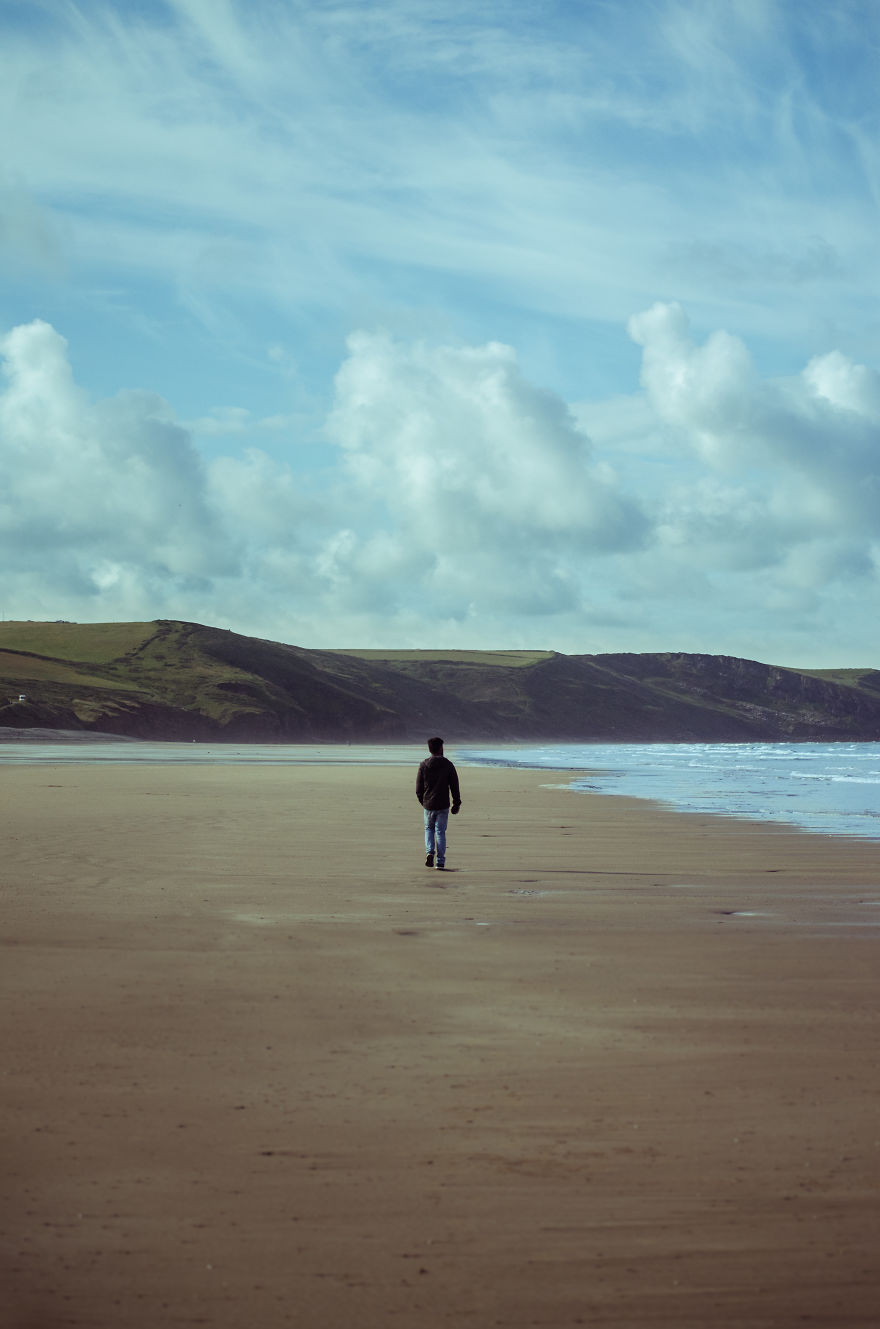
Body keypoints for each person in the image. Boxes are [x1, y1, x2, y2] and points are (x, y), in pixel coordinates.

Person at [416, 736, 462, 870]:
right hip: (443, 804)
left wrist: (423, 801)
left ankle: (430, 852)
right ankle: (440, 861)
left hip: (428, 804)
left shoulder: (423, 764)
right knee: (440, 831)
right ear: (441, 748)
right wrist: (456, 803)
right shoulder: (448, 764)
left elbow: (418, 788)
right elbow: (454, 785)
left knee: (429, 829)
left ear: (429, 749)